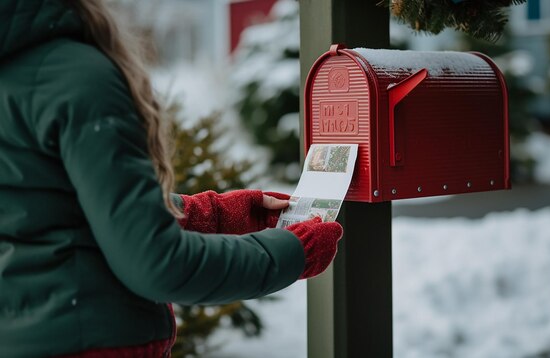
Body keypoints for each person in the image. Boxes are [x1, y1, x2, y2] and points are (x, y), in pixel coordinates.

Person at [0, 0, 343, 357]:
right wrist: (292, 252)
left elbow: (52, 212)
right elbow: (157, 262)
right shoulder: (73, 76)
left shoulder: (14, 73)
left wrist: (220, 215)